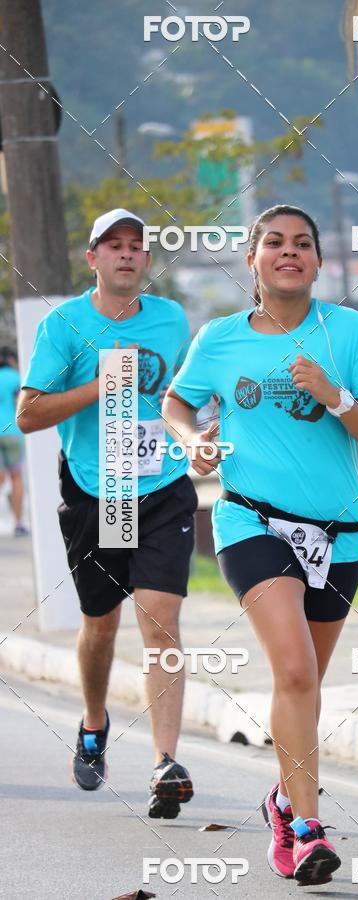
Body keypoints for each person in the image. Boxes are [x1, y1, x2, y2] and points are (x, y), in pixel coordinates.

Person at [163, 204, 358, 885]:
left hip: (339, 535)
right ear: (252, 260)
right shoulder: (219, 338)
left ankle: (281, 799)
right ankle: (307, 828)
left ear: (319, 262)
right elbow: (176, 403)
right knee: (294, 671)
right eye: (274, 242)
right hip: (251, 522)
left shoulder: (348, 331)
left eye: (302, 243)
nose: (288, 251)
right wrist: (192, 440)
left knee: (307, 685)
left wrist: (333, 395)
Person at [17, 208, 199, 817]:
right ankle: (94, 722)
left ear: (147, 259)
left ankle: (165, 763)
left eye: (136, 246)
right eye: (113, 245)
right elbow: (28, 415)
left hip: (163, 487)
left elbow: (187, 394)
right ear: (92, 258)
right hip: (99, 493)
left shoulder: (171, 319)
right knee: (101, 624)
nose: (126, 254)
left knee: (161, 622)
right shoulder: (65, 325)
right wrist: (99, 386)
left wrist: (202, 431)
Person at [0, 346, 28, 536]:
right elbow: (22, 403)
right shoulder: (16, 377)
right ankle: (18, 522)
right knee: (16, 476)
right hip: (12, 432)